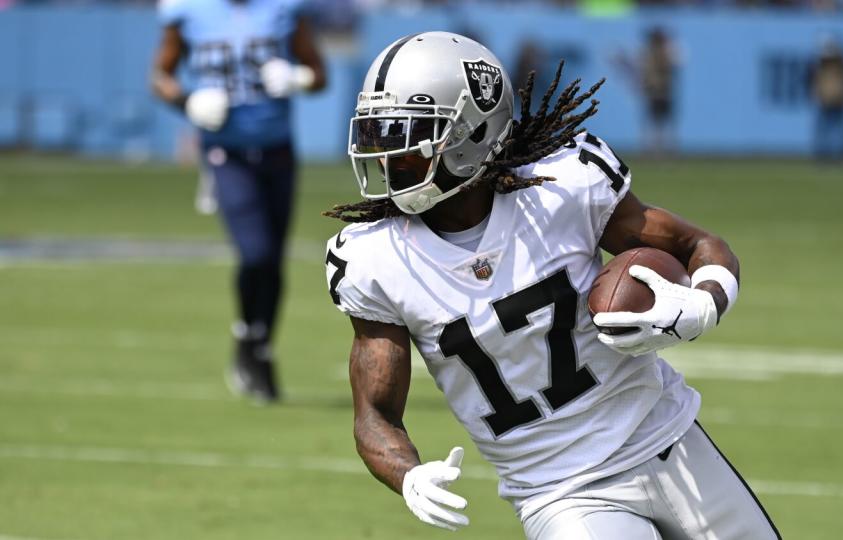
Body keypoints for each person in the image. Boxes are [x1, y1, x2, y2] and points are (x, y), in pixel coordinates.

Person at [324, 32, 779, 539]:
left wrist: (704, 302)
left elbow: (700, 244)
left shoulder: (563, 188)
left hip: (669, 437)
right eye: (382, 137)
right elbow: (376, 416)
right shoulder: (371, 259)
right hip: (560, 492)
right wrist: (408, 475)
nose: (390, 159)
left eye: (410, 139)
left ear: (473, 134)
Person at [151, 0, 326, 403]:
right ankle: (251, 337)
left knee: (273, 259)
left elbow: (320, 75)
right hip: (226, 154)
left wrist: (298, 78)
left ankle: (259, 347)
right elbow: (160, 74)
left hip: (278, 151)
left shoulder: (284, 9)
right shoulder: (188, 11)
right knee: (256, 254)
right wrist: (186, 102)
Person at [614, 27, 677, 156]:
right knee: (655, 121)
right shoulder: (652, 54)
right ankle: (654, 149)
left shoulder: (663, 53)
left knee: (661, 122)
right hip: (655, 92)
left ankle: (662, 149)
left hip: (661, 92)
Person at [810, 37, 843, 162]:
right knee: (826, 130)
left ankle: (842, 154)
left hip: (838, 100)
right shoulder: (820, 67)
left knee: (839, 130)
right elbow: (815, 83)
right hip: (826, 100)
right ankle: (823, 154)